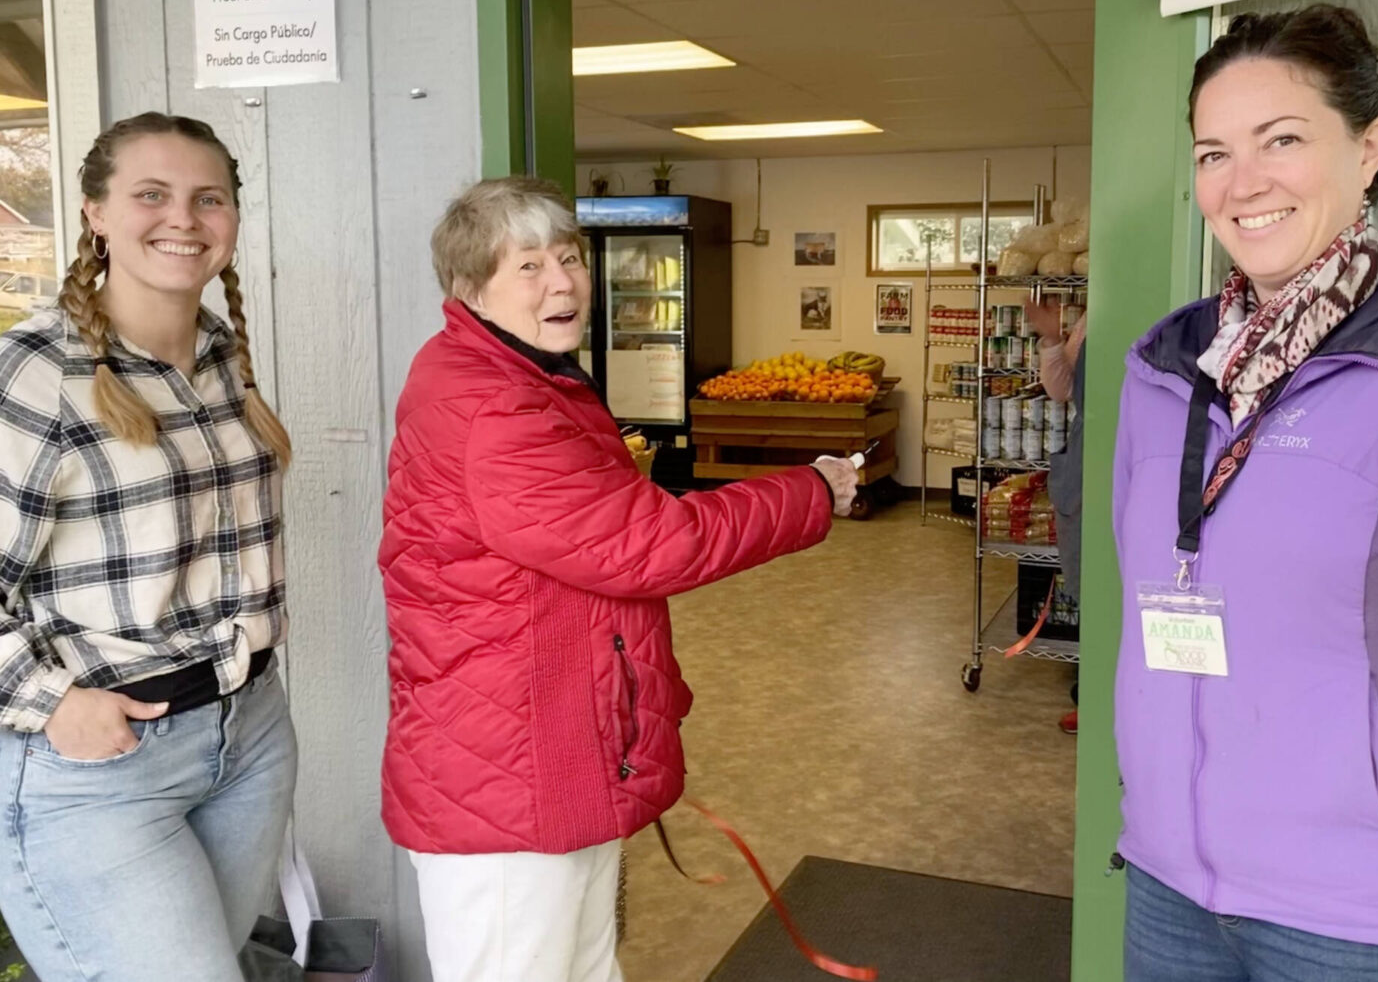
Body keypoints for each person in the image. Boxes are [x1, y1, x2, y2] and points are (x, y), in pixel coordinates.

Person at [1111, 5, 1378, 981]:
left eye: (1283, 140)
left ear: (1369, 146)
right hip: (1170, 896)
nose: (1242, 182)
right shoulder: (1166, 366)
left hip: (1365, 920)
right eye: (1214, 152)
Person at [378, 177, 859, 982]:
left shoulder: (513, 374)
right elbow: (651, 543)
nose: (562, 281)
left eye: (567, 257)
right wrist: (809, 489)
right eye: (527, 265)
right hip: (509, 781)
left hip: (545, 748)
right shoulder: (498, 406)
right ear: (471, 287)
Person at [0, 113, 297, 981]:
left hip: (247, 739)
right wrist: (54, 701)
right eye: (151, 195)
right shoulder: (36, 372)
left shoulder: (218, 355)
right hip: (97, 766)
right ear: (95, 213)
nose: (185, 218)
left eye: (210, 198)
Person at [1024, 297, 1086, 735]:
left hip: (1127, 456)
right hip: (1086, 457)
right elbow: (1062, 390)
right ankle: (1093, 694)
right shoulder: (1089, 317)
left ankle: (1108, 698)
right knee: (1089, 585)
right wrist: (1051, 336)